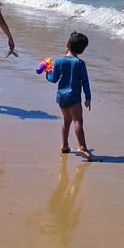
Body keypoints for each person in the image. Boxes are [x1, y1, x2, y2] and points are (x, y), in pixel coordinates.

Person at [46, 31, 92, 159]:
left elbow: (53, 79)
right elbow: (85, 82)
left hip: (61, 96)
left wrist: (47, 73)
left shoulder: (59, 61)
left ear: (68, 45)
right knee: (78, 121)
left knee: (67, 120)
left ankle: (65, 145)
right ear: (82, 50)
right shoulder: (80, 63)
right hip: (74, 96)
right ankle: (82, 146)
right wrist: (88, 97)